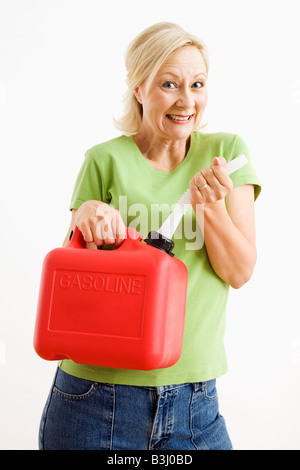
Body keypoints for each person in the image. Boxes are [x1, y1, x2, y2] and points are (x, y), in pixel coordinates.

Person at [38, 22, 261, 450]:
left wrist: (210, 206)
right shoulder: (104, 160)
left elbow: (239, 271)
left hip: (196, 402)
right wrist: (86, 215)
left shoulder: (227, 155)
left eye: (197, 84)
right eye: (169, 84)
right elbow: (70, 282)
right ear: (139, 88)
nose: (186, 100)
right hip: (93, 398)